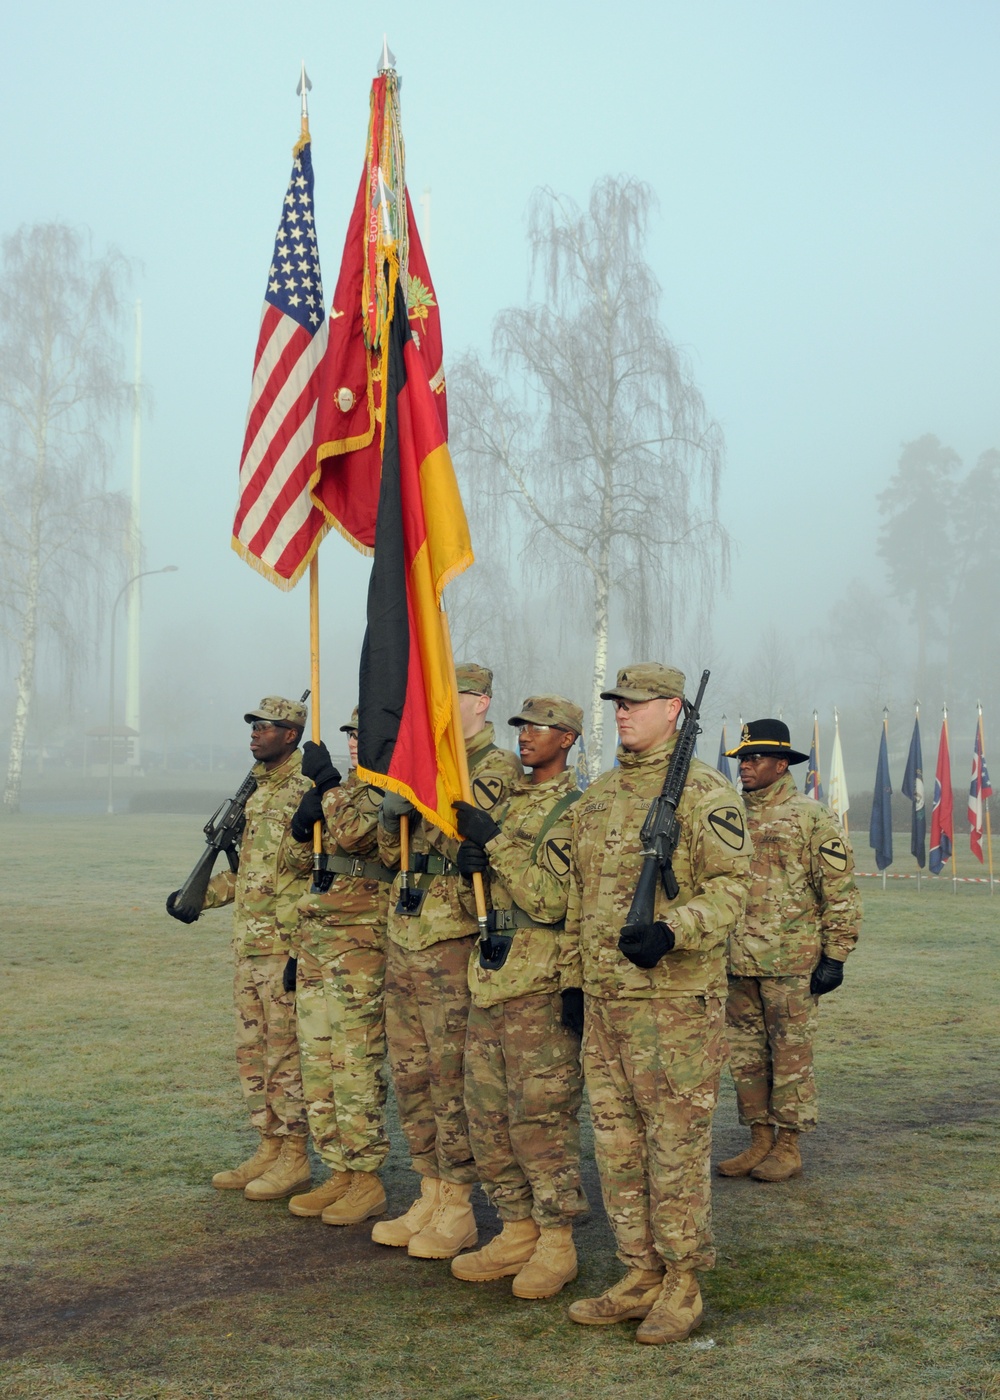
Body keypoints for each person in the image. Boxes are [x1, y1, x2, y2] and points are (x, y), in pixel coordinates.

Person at [561, 663, 752, 1345]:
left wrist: (674, 930)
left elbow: (733, 891)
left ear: (674, 709)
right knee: (615, 1147)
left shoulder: (706, 795)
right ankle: (639, 1271)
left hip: (672, 1005)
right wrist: (573, 984)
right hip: (608, 1004)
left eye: (637, 705)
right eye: (618, 704)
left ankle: (683, 1282)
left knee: (673, 1147)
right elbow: (579, 903)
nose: (623, 714)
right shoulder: (601, 795)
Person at [373, 663, 522, 1260]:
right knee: (410, 1077)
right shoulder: (422, 765)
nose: (435, 707)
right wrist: (392, 813)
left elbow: (478, 846)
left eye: (449, 696)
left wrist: (419, 785)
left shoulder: (495, 769)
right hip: (408, 934)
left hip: (456, 937)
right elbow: (396, 855)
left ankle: (458, 1201)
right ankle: (430, 1187)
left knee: (450, 1076)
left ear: (481, 702)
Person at [450, 694, 588, 1300]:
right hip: (490, 978)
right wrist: (468, 863)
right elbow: (475, 904)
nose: (527, 736)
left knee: (540, 1118)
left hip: (538, 986)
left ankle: (557, 1243)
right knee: (486, 1119)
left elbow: (551, 901)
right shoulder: (506, 802)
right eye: (523, 727)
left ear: (568, 739)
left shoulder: (575, 810)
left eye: (542, 728)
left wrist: (496, 843)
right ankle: (515, 1227)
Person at [167, 696, 312, 1200]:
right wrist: (197, 897)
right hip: (249, 946)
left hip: (284, 946)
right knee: (252, 1052)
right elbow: (249, 873)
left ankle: (294, 1154)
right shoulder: (255, 791)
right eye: (253, 725)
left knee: (285, 1055)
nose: (255, 732)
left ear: (291, 734)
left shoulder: (306, 790)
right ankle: (267, 1145)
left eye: (266, 726)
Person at [717, 719, 862, 1182]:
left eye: (756, 758)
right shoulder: (727, 815)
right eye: (742, 758)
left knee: (791, 1056)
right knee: (745, 1055)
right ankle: (759, 1139)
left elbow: (839, 890)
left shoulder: (811, 816)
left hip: (790, 963)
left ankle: (789, 1145)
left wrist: (836, 956)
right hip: (736, 961)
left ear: (782, 764)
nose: (746, 766)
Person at [283, 707, 396, 1225]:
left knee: (354, 1062)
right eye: (349, 734)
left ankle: (366, 1176)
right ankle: (339, 1168)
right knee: (318, 1060)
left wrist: (325, 785)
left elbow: (354, 835)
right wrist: (303, 824)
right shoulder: (344, 789)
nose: (353, 742)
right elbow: (295, 863)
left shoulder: (386, 787)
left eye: (362, 733)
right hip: (317, 938)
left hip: (360, 941)